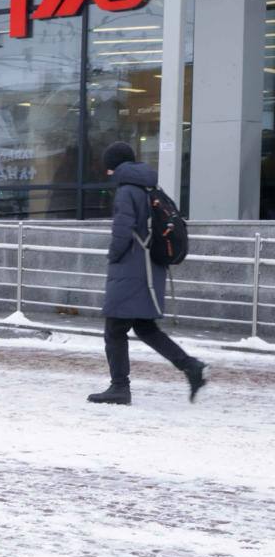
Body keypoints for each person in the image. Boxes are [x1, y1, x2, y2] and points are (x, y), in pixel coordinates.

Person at [87, 142, 207, 405]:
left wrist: (113, 255)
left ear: (115, 166)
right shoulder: (150, 187)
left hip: (131, 268)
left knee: (115, 329)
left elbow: (122, 230)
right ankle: (190, 366)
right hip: (150, 267)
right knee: (145, 327)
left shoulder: (126, 191)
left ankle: (120, 387)